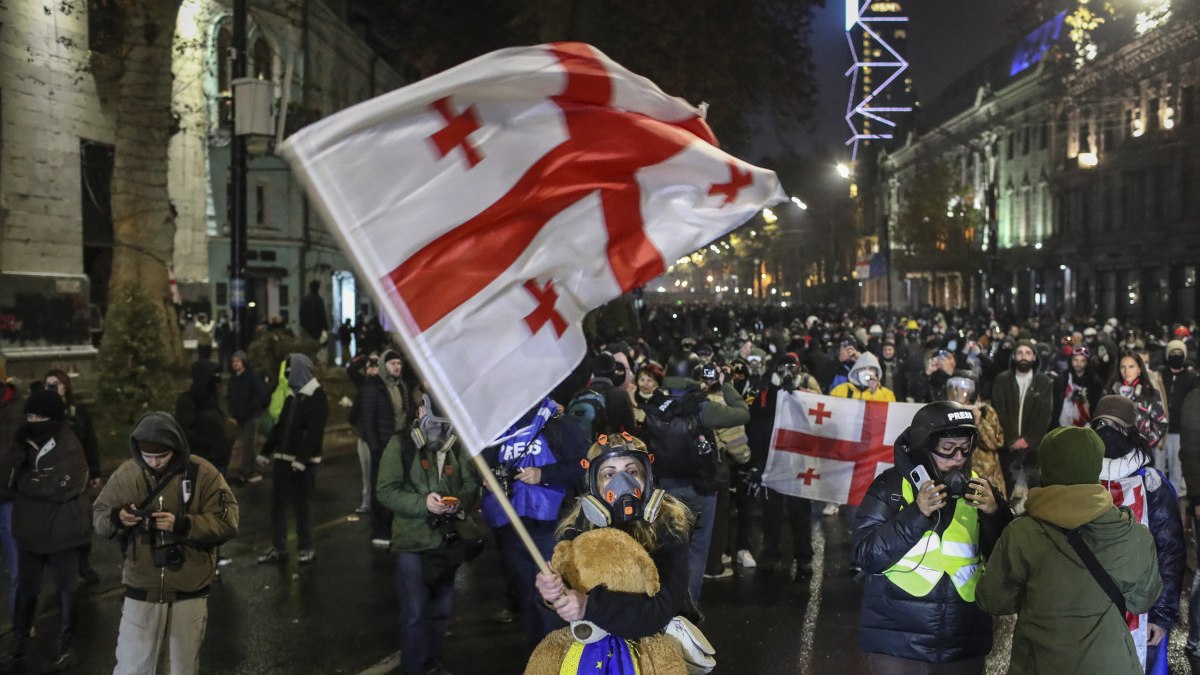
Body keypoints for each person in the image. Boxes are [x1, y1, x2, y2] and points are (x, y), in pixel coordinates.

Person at [976, 426, 1162, 675]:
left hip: (1038, 664)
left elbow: (992, 599)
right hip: (1110, 665)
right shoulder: (1131, 533)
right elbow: (1143, 600)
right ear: (1096, 466)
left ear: (1046, 468)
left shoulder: (1021, 534)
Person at [854, 400, 1011, 674]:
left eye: (965, 448)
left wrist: (995, 515)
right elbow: (866, 556)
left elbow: (1009, 561)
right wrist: (917, 514)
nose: (958, 459)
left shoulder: (980, 490)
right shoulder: (890, 486)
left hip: (963, 642)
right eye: (947, 450)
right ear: (922, 448)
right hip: (897, 643)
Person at [93, 411, 239, 675]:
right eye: (147, 456)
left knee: (180, 668)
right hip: (141, 588)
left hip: (189, 590)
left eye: (162, 456)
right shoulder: (127, 474)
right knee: (132, 667)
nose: (155, 462)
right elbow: (99, 515)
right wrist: (118, 517)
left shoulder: (203, 474)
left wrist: (183, 525)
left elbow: (228, 521)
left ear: (176, 448)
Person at [535, 433, 695, 640]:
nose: (623, 483)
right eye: (609, 475)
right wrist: (551, 594)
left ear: (647, 477)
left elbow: (661, 612)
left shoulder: (668, 524)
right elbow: (562, 606)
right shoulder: (578, 527)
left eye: (632, 471)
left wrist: (589, 605)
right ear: (594, 483)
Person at [376, 394, 480, 675]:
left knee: (441, 611)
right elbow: (385, 490)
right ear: (421, 409)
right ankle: (414, 669)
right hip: (412, 543)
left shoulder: (455, 445)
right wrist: (423, 503)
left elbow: (472, 483)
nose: (440, 425)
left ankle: (433, 665)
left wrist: (459, 500)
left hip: (446, 541)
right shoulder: (400, 444)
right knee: (415, 614)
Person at [481, 397, 588, 645]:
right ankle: (538, 659)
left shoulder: (559, 424)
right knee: (527, 599)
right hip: (511, 529)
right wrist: (485, 478)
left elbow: (585, 464)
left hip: (551, 529)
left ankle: (561, 660)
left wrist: (545, 474)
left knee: (554, 601)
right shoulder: (498, 428)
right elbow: (483, 465)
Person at [1091, 395, 1184, 671]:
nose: (1107, 433)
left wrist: (1162, 615)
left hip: (1142, 613)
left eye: (1116, 427)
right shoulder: (1078, 479)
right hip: (1090, 611)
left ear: (1131, 432)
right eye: (1101, 425)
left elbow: (1170, 552)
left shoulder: (1153, 484)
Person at [0, 390, 91, 670]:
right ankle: (18, 644)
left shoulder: (68, 441)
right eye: (29, 415)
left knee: (66, 590)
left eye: (39, 416)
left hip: (63, 533)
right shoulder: (24, 440)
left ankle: (66, 646)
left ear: (53, 418)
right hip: (29, 533)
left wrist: (27, 483)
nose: (32, 420)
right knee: (26, 591)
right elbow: (6, 480)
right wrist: (17, 451)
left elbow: (62, 485)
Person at [256, 353, 329, 565]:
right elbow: (281, 427)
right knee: (278, 505)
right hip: (282, 459)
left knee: (302, 505)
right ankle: (279, 548)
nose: (287, 376)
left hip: (303, 463)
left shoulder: (317, 395)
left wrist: (301, 459)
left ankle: (306, 548)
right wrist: (265, 452)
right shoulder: (291, 395)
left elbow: (315, 431)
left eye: (290, 371)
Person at [43, 369, 104, 585]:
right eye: (48, 384)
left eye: (56, 384)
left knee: (83, 523)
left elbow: (90, 442)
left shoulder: (77, 412)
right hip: (51, 480)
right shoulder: (39, 412)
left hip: (78, 478)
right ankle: (60, 567)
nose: (52, 388)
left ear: (65, 387)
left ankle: (82, 564)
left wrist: (95, 471)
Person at [991, 340, 1053, 497]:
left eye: (1027, 353)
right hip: (1007, 448)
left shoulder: (1043, 382)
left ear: (1034, 357)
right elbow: (998, 411)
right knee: (1005, 492)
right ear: (1013, 357)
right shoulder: (1002, 380)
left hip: (1032, 449)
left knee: (1033, 494)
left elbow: (1044, 415)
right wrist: (1012, 439)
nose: (1023, 357)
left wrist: (1028, 439)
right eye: (1019, 353)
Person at [175, 360, 231, 476]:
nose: (218, 380)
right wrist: (209, 443)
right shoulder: (188, 401)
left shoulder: (212, 399)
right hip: (202, 462)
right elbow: (184, 431)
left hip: (219, 461)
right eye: (214, 375)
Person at [1106, 351, 1168, 455]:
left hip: (1141, 455)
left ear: (1139, 369)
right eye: (1123, 367)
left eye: (1131, 367)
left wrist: (1145, 445)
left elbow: (1161, 423)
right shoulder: (1111, 393)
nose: (1126, 371)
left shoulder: (1150, 394)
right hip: (1115, 454)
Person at [1156, 339, 1195, 495]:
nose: (1176, 355)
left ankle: (1174, 499)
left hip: (1179, 431)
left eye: (1179, 353)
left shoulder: (1190, 378)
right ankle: (1157, 500)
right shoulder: (1160, 375)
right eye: (1173, 353)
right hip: (1160, 431)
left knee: (1176, 469)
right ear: (1167, 355)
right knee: (1157, 470)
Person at [226, 350, 267, 484]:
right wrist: (233, 412)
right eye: (233, 361)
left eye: (237, 361)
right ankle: (253, 469)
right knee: (248, 444)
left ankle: (245, 472)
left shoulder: (252, 377)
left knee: (248, 444)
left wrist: (247, 410)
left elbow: (259, 396)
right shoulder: (234, 378)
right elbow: (230, 396)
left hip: (251, 416)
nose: (235, 363)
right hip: (239, 417)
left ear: (243, 362)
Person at [1050, 345, 1103, 429]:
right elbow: (1055, 405)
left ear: (1087, 362)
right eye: (1075, 360)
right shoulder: (1062, 378)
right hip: (1062, 425)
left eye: (1082, 361)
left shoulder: (1094, 381)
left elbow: (1097, 407)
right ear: (1071, 360)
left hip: (1086, 427)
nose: (1078, 364)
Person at [830, 352, 896, 402]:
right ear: (856, 371)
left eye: (871, 369)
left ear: (876, 372)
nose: (866, 372)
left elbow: (884, 416)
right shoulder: (840, 390)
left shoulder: (887, 395)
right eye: (863, 369)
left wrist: (875, 392)